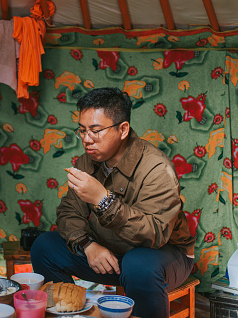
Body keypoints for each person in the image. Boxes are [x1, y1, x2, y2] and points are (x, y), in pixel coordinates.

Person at [31, 87, 195, 318]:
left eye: (96, 131)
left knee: (138, 264)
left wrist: (102, 200)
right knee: (44, 246)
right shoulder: (86, 162)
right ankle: (70, 313)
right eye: (83, 131)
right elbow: (69, 212)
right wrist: (88, 245)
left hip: (163, 256)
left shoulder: (157, 167)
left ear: (123, 129)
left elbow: (155, 234)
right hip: (110, 255)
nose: (87, 140)